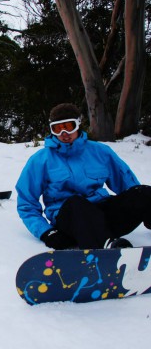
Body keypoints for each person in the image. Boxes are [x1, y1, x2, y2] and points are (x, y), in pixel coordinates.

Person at [16, 103, 151, 250]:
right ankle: (108, 249)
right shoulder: (41, 160)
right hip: (70, 221)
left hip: (103, 215)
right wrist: (46, 232)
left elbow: (128, 185)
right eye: (57, 129)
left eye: (68, 126)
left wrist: (142, 205)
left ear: (78, 125)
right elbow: (26, 203)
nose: (63, 133)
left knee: (142, 192)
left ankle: (107, 238)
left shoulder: (100, 152)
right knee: (76, 203)